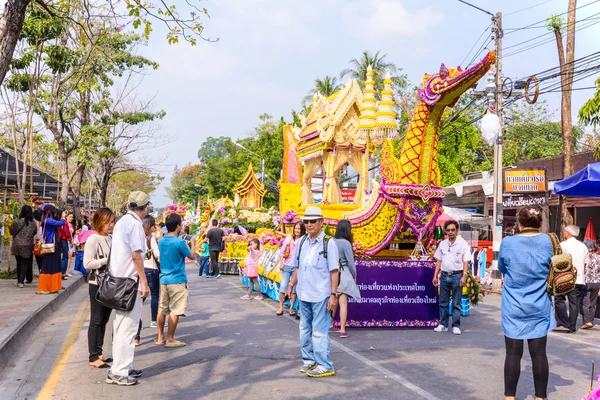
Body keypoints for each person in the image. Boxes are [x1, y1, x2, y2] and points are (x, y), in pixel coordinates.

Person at [498, 206, 552, 400]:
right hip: (539, 304)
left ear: (519, 223)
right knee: (539, 355)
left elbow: (502, 267)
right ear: (539, 223)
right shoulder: (548, 241)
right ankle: (540, 398)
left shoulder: (508, 242)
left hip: (514, 305)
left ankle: (510, 398)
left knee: (513, 354)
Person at [287, 206, 339, 378]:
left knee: (319, 331)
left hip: (321, 295)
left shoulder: (329, 243)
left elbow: (334, 272)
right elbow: (297, 268)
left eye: (312, 221)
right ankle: (309, 361)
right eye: (306, 221)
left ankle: (325, 365)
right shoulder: (302, 241)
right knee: (304, 329)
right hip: (303, 294)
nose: (309, 224)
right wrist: (290, 284)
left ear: (321, 222)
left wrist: (333, 295)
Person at [106, 191, 151, 386]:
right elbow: (136, 256)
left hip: (117, 280)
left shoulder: (122, 222)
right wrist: (144, 281)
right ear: (145, 207)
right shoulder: (135, 225)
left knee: (120, 326)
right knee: (127, 329)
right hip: (129, 282)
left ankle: (122, 366)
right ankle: (120, 372)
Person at [156, 213, 196, 348]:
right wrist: (194, 244)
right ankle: (170, 339)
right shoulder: (179, 242)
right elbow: (191, 256)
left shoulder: (161, 241)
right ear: (178, 225)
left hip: (164, 279)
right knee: (175, 310)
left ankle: (160, 337)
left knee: (162, 309)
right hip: (177, 280)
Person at [84, 208, 115, 369]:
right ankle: (93, 356)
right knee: (96, 320)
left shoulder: (111, 238)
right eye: (107, 222)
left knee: (104, 320)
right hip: (97, 284)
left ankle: (99, 352)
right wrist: (105, 260)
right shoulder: (93, 239)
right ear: (98, 222)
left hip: (109, 284)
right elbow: (87, 264)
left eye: (112, 222)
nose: (111, 225)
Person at [432, 220, 470, 335]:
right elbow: (439, 260)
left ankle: (456, 325)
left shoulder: (463, 244)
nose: (450, 232)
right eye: (448, 230)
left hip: (457, 276)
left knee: (456, 303)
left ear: (457, 230)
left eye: (453, 230)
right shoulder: (442, 244)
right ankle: (443, 324)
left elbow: (465, 262)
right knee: (443, 302)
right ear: (445, 231)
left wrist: (464, 276)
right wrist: (435, 276)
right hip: (444, 276)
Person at [555, 224, 588, 333]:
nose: (564, 234)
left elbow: (557, 261)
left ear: (568, 233)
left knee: (559, 299)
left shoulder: (563, 245)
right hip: (579, 278)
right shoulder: (583, 246)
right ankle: (572, 326)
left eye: (564, 232)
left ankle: (563, 322)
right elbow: (586, 263)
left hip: (564, 278)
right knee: (574, 303)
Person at [332, 220, 361, 338]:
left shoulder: (331, 241)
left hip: (332, 273)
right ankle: (342, 329)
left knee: (334, 299)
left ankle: (329, 323)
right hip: (343, 273)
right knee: (343, 302)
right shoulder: (346, 243)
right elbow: (350, 262)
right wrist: (354, 275)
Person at [134, 215, 161, 344]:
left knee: (138, 302)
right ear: (149, 226)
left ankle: (136, 336)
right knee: (155, 296)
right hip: (152, 270)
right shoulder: (152, 239)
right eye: (153, 225)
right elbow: (158, 255)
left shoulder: (137, 239)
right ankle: (154, 320)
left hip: (140, 271)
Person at [36, 206, 66, 294]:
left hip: (54, 244)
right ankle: (44, 287)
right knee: (48, 266)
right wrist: (63, 217)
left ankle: (53, 286)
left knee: (54, 266)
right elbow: (61, 223)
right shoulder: (48, 220)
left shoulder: (47, 220)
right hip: (51, 245)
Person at [277, 221, 305, 316]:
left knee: (294, 289)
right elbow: (282, 252)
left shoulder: (303, 239)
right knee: (283, 286)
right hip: (287, 265)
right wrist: (281, 263)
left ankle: (291, 308)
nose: (297, 230)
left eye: (299, 229)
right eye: (296, 228)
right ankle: (280, 306)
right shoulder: (289, 238)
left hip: (297, 267)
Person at [10, 205, 38, 288]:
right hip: (28, 245)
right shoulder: (33, 223)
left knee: (18, 262)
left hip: (17, 244)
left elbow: (12, 231)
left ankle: (19, 280)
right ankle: (21, 281)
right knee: (24, 263)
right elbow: (35, 232)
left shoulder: (17, 221)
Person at [581, 239, 600, 329]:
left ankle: (587, 321)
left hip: (586, 282)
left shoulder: (583, 257)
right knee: (593, 302)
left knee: (585, 303)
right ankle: (591, 320)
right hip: (596, 282)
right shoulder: (598, 257)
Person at [58, 210, 74, 279]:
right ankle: (62, 273)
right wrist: (70, 240)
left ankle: (60, 272)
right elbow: (66, 232)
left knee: (59, 256)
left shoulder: (57, 220)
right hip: (64, 239)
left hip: (58, 239)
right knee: (65, 256)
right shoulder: (63, 221)